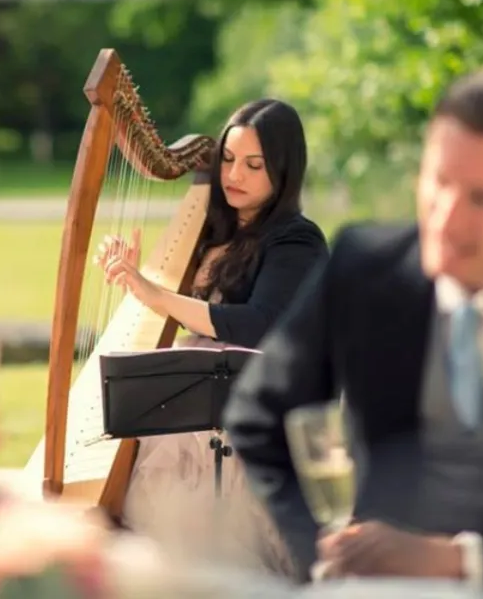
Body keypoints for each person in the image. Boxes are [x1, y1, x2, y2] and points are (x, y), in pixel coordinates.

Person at [223, 69, 483, 592]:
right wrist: (322, 551)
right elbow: (257, 417)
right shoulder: (362, 269)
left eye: (482, 199)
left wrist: (460, 560)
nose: (446, 220)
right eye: (439, 183)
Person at [95, 98, 328, 574]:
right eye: (227, 159)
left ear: (283, 170)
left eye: (252, 164)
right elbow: (182, 311)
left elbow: (256, 323)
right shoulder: (213, 229)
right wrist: (134, 276)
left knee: (197, 502)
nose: (233, 174)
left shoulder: (296, 240)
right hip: (201, 389)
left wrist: (154, 293)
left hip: (256, 396)